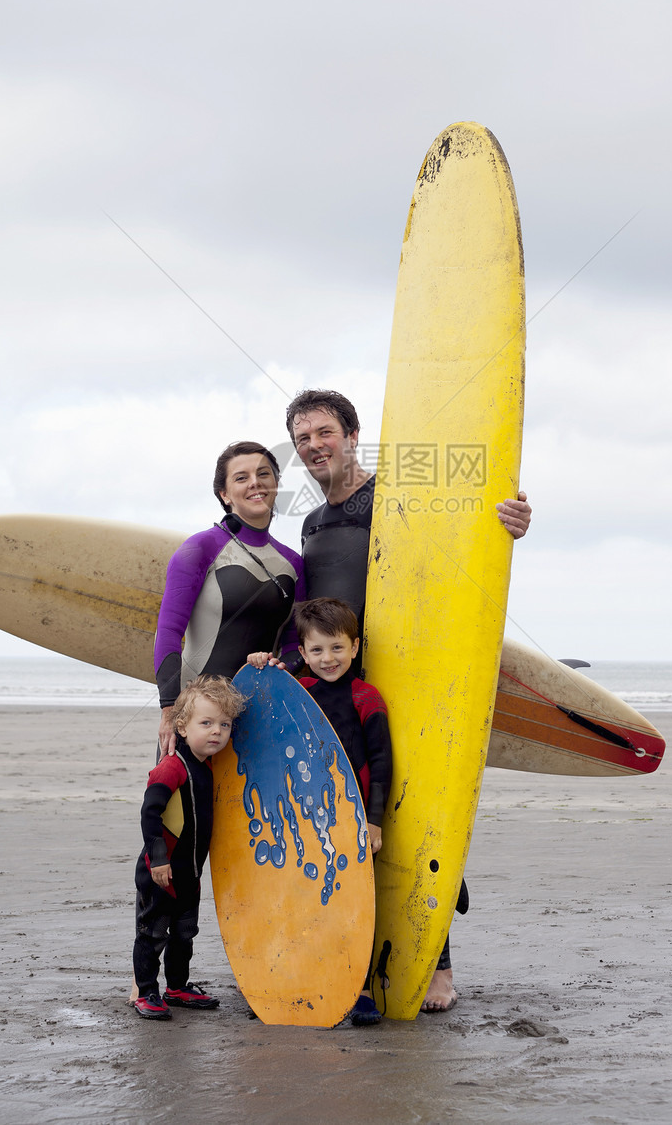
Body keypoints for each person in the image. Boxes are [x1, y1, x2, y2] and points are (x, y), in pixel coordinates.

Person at [285, 388, 532, 1013]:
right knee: (348, 821)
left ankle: (437, 960)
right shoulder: (312, 522)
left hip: (408, 676)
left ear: (350, 435)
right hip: (343, 685)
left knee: (415, 811)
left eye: (324, 433)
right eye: (302, 438)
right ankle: (355, 960)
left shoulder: (393, 497)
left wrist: (508, 521)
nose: (314, 445)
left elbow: (457, 539)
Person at [249, 596, 392, 1026]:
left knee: (354, 907)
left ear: (354, 646)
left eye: (336, 648)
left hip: (352, 818)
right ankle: (301, 982)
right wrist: (262, 664)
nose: (327, 659)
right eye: (316, 650)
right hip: (305, 818)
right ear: (303, 652)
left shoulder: (366, 697)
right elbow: (260, 711)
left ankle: (362, 990)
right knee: (305, 902)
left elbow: (383, 761)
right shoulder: (299, 690)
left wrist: (373, 819)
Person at [154, 441, 305, 758]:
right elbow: (168, 632)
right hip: (196, 719)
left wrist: (284, 668)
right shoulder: (200, 548)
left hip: (261, 719)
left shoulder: (293, 564)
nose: (255, 482)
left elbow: (294, 644)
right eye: (241, 477)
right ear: (224, 494)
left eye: (264, 474)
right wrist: (170, 709)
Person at [132, 674, 247, 1020]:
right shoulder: (172, 767)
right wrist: (158, 859)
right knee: (153, 934)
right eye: (206, 723)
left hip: (189, 873)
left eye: (224, 724)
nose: (216, 731)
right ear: (181, 727)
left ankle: (177, 987)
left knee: (184, 933)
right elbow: (150, 812)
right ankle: (147, 992)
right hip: (160, 872)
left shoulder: (209, 766)